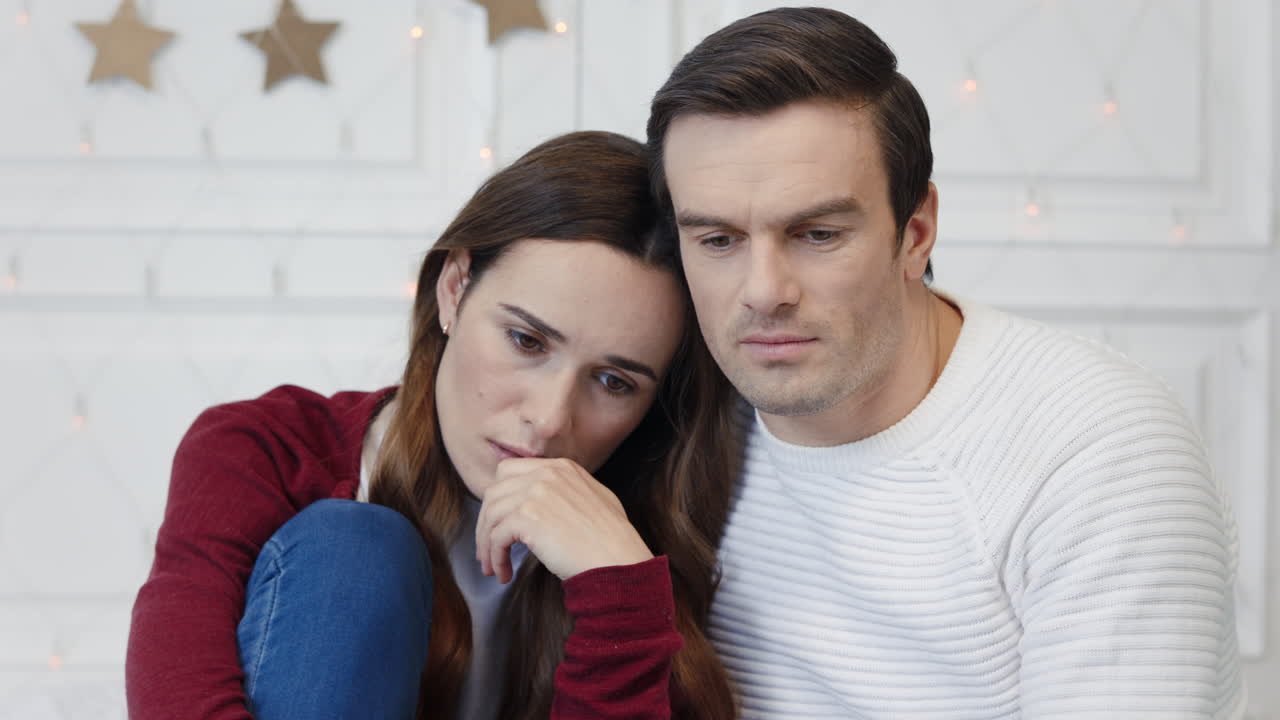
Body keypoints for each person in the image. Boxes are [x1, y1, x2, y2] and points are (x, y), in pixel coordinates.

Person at [646, 6, 1246, 718]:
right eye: (717, 240)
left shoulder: (1097, 449)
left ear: (916, 232)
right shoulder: (673, 408)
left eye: (816, 233)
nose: (765, 292)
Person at [125, 131, 738, 720]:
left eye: (614, 383)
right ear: (453, 287)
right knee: (357, 552)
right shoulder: (266, 449)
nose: (549, 419)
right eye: (526, 340)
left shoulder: (654, 530)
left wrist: (617, 592)